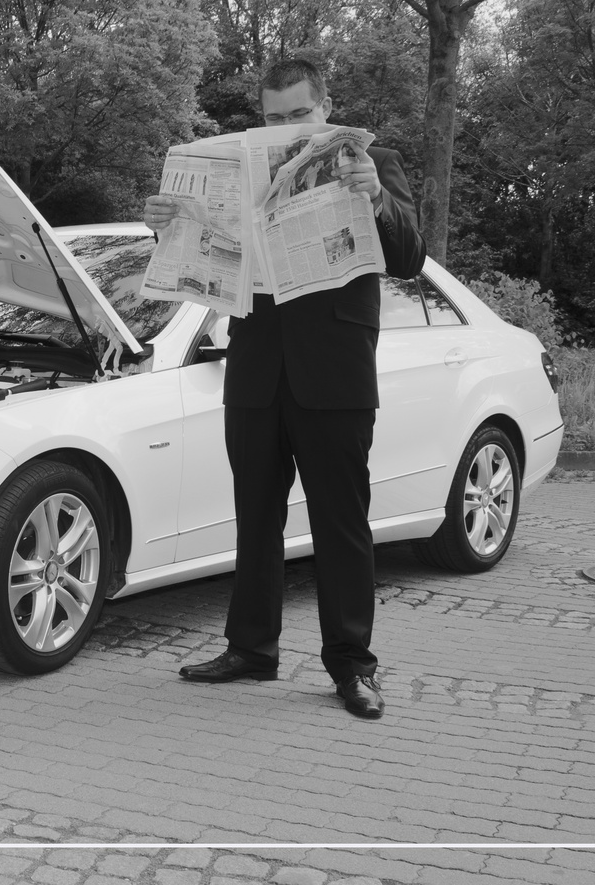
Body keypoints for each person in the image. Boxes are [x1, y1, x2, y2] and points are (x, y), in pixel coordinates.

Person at [143, 58, 426, 720]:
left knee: (342, 525)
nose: (288, 126)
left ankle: (353, 667)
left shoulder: (373, 160)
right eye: (275, 119)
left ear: (325, 107)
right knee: (255, 517)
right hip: (254, 365)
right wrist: (170, 222)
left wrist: (375, 197)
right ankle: (251, 649)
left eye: (300, 115)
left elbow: (411, 256)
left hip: (335, 367)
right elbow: (207, 259)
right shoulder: (241, 170)